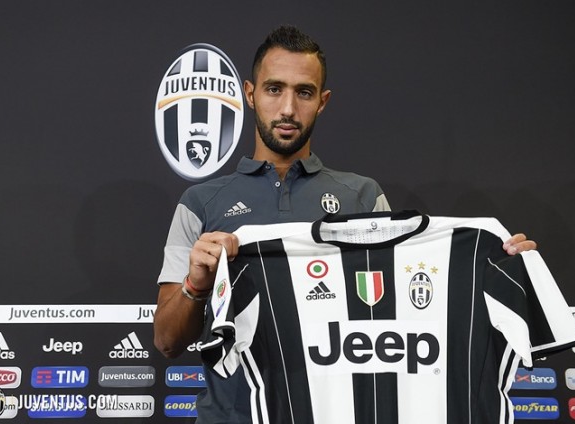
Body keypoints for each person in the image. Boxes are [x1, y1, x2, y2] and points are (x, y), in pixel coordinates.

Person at [153, 25, 537, 423]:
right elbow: (166, 341)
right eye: (274, 89)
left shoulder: (363, 198)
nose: (288, 109)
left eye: (304, 92)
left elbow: (407, 313)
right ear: (250, 94)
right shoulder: (199, 204)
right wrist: (196, 285)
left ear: (323, 101)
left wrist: (496, 266)